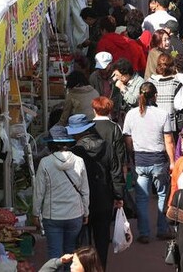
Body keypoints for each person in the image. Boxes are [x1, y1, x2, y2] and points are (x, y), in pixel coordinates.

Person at [67, 114, 124, 268]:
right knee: (102, 240)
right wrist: (118, 195)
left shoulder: (74, 151)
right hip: (104, 198)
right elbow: (116, 172)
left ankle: (83, 268)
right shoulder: (107, 146)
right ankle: (100, 268)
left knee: (82, 241)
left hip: (81, 201)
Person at [122, 82, 175, 243]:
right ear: (155, 96)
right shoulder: (162, 114)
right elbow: (169, 140)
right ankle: (162, 228)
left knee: (142, 198)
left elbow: (127, 138)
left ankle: (144, 232)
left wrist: (132, 155)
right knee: (162, 195)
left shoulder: (131, 114)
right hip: (158, 159)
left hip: (140, 159)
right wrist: (172, 161)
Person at [33, 127, 89, 260]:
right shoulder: (79, 161)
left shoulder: (45, 162)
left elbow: (39, 191)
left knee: (55, 254)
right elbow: (85, 190)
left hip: (52, 216)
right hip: (75, 213)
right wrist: (86, 211)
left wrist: (35, 213)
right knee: (70, 251)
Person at [89, 96, 128, 177]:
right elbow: (120, 151)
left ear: (94, 110)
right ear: (109, 110)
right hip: (113, 168)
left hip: (93, 167)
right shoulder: (115, 127)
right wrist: (123, 169)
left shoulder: (88, 126)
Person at [111, 57, 145, 123]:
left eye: (117, 75)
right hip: (121, 118)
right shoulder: (119, 81)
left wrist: (122, 88)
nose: (116, 78)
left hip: (134, 119)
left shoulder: (140, 82)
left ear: (125, 75)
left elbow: (134, 101)